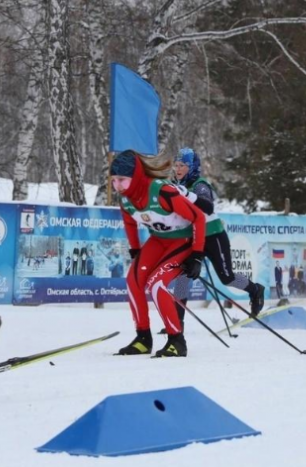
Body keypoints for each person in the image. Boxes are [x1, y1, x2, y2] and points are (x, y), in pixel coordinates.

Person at [111, 150, 207, 358]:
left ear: (135, 177)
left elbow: (198, 217)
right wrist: (135, 248)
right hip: (158, 241)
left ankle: (176, 340)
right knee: (133, 281)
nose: (118, 186)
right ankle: (143, 338)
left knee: (156, 284)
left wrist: (197, 255)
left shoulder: (161, 191)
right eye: (114, 181)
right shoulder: (126, 200)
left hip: (183, 241)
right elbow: (129, 222)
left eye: (122, 180)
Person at [169, 148, 264, 328]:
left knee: (226, 277)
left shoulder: (199, 184)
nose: (178, 169)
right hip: (194, 238)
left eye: (183, 165)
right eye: (176, 165)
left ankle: (255, 289)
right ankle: (176, 322)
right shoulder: (175, 185)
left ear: (192, 167)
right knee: (183, 276)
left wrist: (186, 194)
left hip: (213, 237)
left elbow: (207, 206)